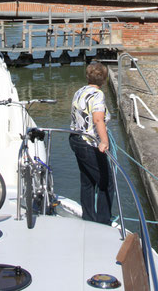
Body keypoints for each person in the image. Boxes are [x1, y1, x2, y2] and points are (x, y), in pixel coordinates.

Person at [69, 61, 114, 225]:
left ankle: (88, 218)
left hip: (75, 140)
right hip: (89, 143)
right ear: (104, 79)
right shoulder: (97, 95)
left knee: (87, 181)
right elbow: (97, 119)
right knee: (106, 183)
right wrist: (104, 142)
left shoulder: (79, 91)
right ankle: (103, 222)